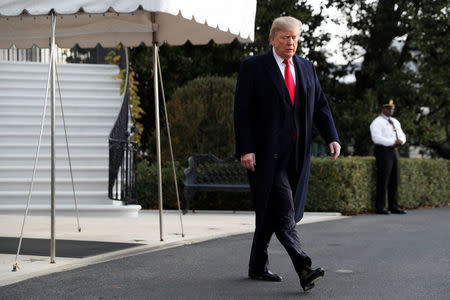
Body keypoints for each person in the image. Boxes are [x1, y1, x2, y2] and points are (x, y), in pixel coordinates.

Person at [234, 16, 341, 292]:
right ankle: (304, 268)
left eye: (294, 37)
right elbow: (242, 112)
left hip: (297, 156)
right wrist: (245, 148)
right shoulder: (253, 67)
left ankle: (257, 266)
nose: (290, 42)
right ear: (272, 39)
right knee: (284, 211)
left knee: (272, 213)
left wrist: (332, 136)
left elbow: (320, 105)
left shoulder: (306, 68)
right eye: (284, 37)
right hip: (265, 156)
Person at [370, 99, 407, 215]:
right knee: (383, 179)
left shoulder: (395, 121)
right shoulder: (377, 122)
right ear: (383, 109)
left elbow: (402, 134)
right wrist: (393, 141)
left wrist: (401, 141)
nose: (390, 110)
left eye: (392, 108)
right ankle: (380, 206)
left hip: (394, 151)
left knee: (394, 179)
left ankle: (393, 205)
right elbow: (377, 138)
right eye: (388, 108)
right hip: (383, 151)